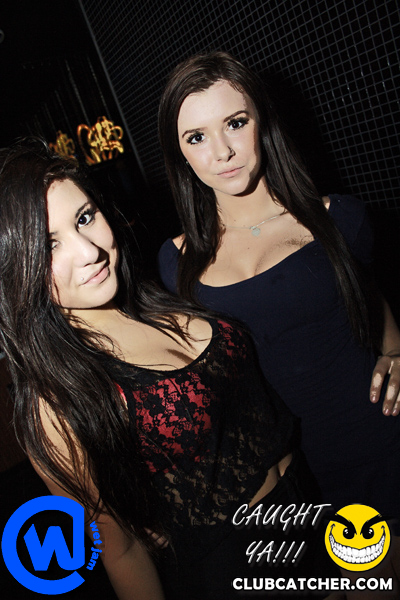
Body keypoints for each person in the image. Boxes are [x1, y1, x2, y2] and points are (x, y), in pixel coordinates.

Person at [0, 137, 338, 600]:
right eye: (49, 245)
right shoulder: (58, 399)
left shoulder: (154, 296)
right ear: (16, 268)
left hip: (308, 512)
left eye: (85, 218)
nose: (89, 251)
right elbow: (121, 552)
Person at [157, 51, 400, 522]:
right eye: (197, 137)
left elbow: (372, 302)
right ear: (179, 152)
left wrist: (396, 353)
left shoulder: (339, 220)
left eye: (235, 123)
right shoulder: (176, 263)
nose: (222, 152)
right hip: (280, 486)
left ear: (261, 121)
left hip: (375, 449)